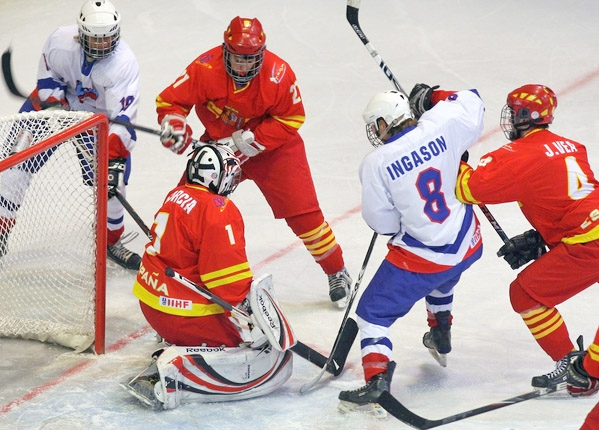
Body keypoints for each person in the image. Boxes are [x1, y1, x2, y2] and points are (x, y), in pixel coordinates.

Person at [155, 16, 353, 309]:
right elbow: (170, 101)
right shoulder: (204, 68)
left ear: (261, 54)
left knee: (305, 217)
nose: (242, 66)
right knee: (186, 207)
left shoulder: (279, 74)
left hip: (275, 151)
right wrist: (174, 123)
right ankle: (175, 284)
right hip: (220, 148)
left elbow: (292, 118)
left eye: (250, 59)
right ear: (225, 51)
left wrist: (247, 139)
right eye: (236, 58)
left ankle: (336, 271)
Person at [338, 86, 484, 414]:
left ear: (384, 122)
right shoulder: (439, 125)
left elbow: (383, 223)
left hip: (427, 256)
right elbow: (473, 101)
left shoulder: (376, 162)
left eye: (377, 124)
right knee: (446, 273)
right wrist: (433, 97)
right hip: (468, 242)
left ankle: (377, 378)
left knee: (373, 312)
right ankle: (440, 328)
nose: (376, 131)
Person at [123, 144, 293, 410]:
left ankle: (177, 343)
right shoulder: (218, 209)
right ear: (215, 176)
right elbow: (228, 283)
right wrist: (252, 316)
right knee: (241, 340)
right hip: (186, 317)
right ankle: (172, 373)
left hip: (152, 306)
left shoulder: (176, 194)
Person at [455, 83, 599, 391]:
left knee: (525, 294)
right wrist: (543, 236)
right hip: (589, 232)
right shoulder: (573, 146)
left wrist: (454, 161)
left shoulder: (517, 154)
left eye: (513, 111)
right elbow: (569, 197)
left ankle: (578, 370)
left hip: (588, 244)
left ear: (523, 117)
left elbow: (469, 189)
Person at [0, 0, 141, 270]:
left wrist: (113, 156)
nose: (102, 45)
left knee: (113, 181)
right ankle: (0, 229)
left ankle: (110, 242)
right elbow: (48, 76)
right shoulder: (60, 42)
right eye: (95, 39)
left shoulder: (123, 63)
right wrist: (52, 99)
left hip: (96, 119)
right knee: (16, 162)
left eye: (108, 38)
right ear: (80, 34)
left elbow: (123, 117)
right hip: (56, 107)